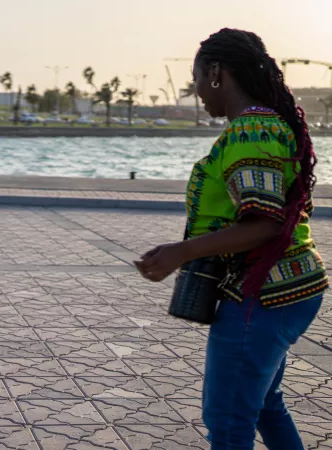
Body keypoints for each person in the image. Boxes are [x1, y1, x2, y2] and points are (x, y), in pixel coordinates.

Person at [134, 28, 327, 449]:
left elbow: (266, 223)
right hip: (292, 285)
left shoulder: (251, 130)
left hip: (265, 294)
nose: (197, 91)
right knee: (264, 404)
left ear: (217, 73)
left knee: (228, 418)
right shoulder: (267, 123)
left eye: (198, 78)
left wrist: (180, 252)